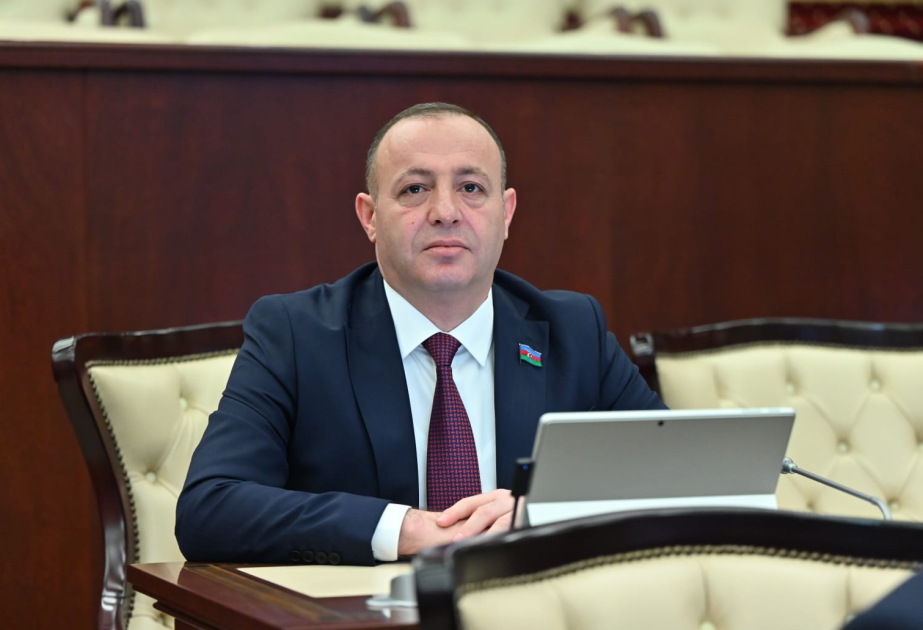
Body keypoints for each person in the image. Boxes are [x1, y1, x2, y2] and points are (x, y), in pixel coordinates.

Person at [175, 102, 666, 566]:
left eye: (471, 187)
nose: (445, 211)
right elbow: (210, 508)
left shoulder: (572, 331)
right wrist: (400, 529)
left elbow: (679, 479)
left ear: (506, 213)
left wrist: (542, 515)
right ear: (370, 216)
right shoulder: (296, 334)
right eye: (415, 189)